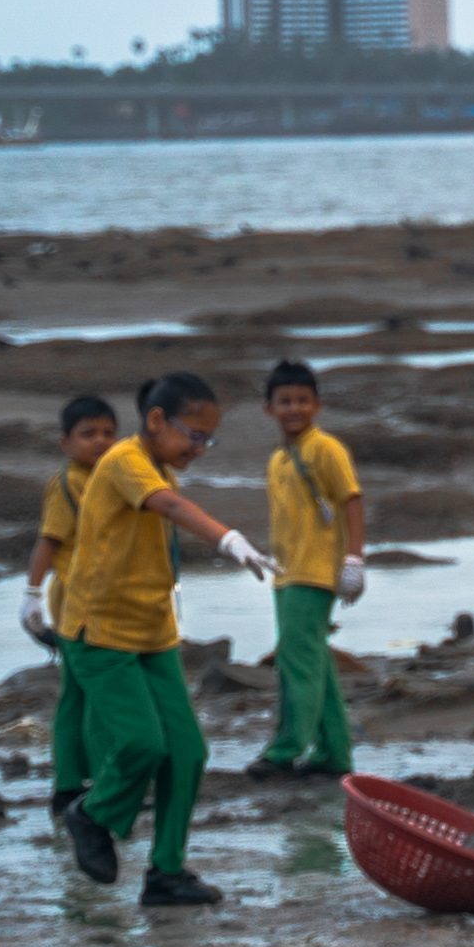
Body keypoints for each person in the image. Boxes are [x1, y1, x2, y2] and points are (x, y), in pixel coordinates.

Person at [58, 372, 272, 907]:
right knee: (142, 742)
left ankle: (166, 874)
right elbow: (171, 509)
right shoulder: (125, 461)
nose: (198, 448)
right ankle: (90, 814)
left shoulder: (158, 468)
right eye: (192, 436)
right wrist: (230, 539)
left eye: (206, 440)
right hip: (100, 632)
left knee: (186, 752)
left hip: (152, 634)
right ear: (156, 422)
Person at [248, 359, 366, 781]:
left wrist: (354, 559)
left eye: (302, 401)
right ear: (268, 409)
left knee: (296, 661)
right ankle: (335, 753)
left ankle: (284, 750)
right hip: (286, 573)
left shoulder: (326, 449)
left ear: (317, 405)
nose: (293, 409)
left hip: (313, 574)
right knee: (315, 662)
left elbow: (352, 500)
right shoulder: (279, 459)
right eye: (285, 402)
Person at [18, 394, 122, 821]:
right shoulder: (67, 484)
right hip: (80, 603)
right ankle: (101, 783)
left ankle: (66, 787)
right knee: (97, 695)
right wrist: (32, 592)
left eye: (107, 433)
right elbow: (50, 539)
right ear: (66, 442)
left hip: (107, 599)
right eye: (88, 434)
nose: (99, 442)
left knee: (77, 695)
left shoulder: (113, 478)